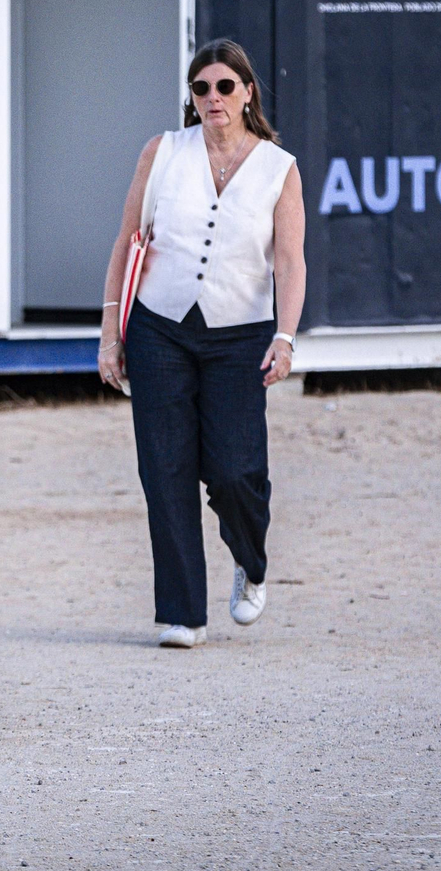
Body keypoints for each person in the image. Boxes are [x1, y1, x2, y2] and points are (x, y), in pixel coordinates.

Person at [98, 39, 306, 648]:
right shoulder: (163, 151)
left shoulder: (278, 166)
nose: (212, 98)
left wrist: (285, 337)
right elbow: (127, 241)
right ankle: (182, 613)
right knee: (164, 469)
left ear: (247, 93)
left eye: (224, 87)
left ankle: (251, 558)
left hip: (239, 333)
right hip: (159, 324)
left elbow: (290, 263)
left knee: (236, 470)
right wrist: (112, 332)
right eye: (200, 88)